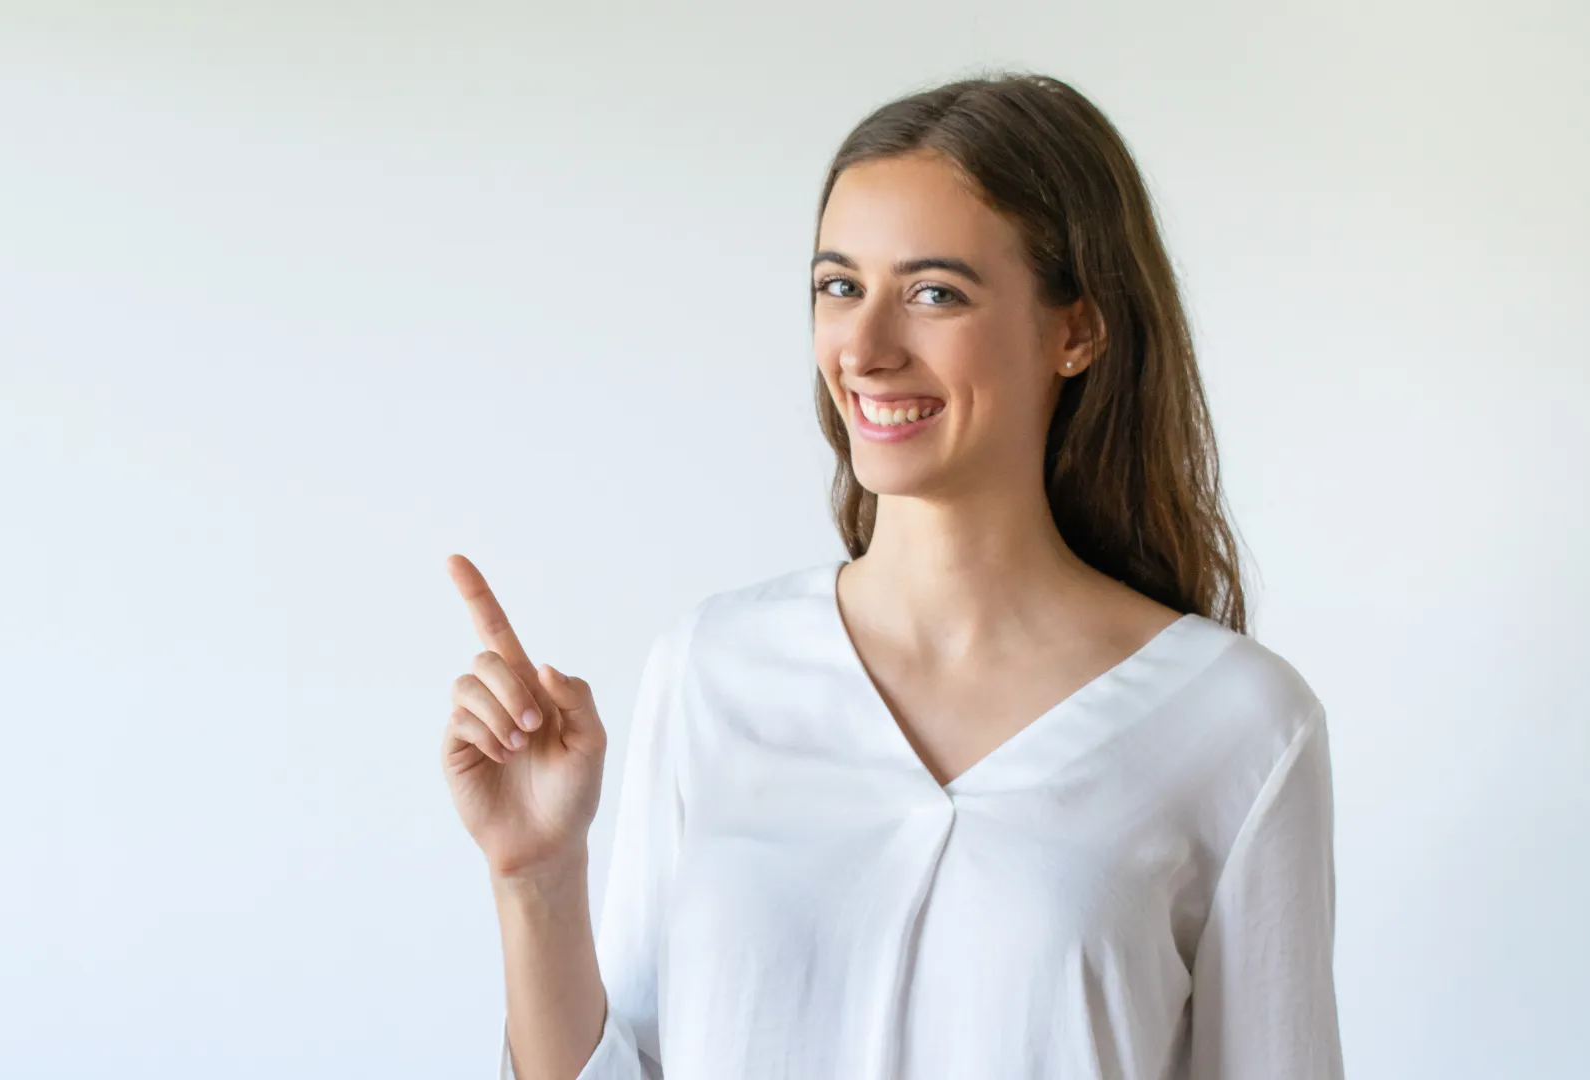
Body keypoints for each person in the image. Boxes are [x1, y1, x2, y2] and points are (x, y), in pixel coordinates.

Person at [441, 71, 1343, 1080]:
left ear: (1077, 330)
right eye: (839, 287)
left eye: (933, 293)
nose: (864, 350)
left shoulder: (1238, 724)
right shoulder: (712, 669)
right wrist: (537, 875)